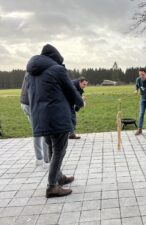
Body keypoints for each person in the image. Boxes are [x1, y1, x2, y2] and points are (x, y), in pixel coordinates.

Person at [25, 44, 84, 198]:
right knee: (59, 151)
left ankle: (59, 177)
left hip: (40, 117)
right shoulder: (57, 70)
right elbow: (71, 91)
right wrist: (80, 102)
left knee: (52, 147)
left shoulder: (30, 73)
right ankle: (52, 186)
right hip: (57, 116)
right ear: (56, 58)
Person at [20, 73, 49, 166]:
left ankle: (40, 158)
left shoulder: (30, 69)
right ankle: (45, 158)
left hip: (25, 103)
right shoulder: (39, 71)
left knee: (37, 130)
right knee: (44, 131)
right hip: (32, 104)